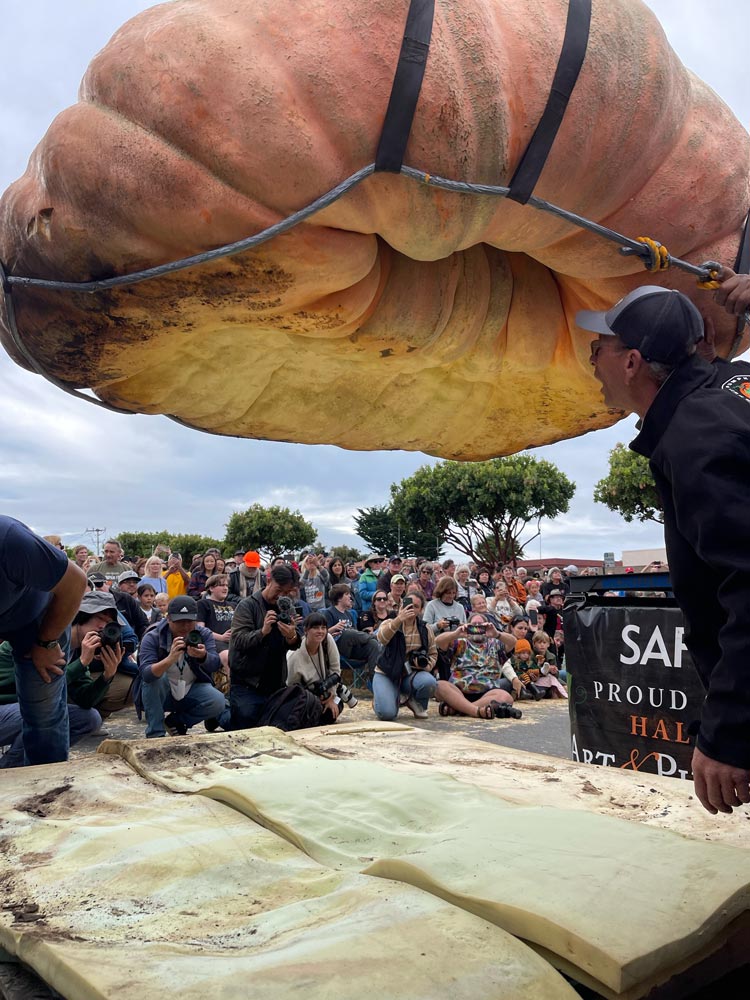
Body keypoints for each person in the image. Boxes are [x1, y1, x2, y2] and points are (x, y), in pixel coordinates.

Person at [578, 282, 750, 815]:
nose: (591, 361)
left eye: (598, 348)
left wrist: (729, 731)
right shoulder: (731, 391)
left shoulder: (699, 438)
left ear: (631, 363)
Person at [0, 516, 87, 764]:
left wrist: (47, 643)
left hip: (40, 621)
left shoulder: (10, 539)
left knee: (42, 714)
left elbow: (75, 582)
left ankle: (45, 782)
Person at [138, 596, 229, 737]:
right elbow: (146, 675)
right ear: (168, 619)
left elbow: (215, 664)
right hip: (161, 693)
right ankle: (155, 733)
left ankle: (176, 722)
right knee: (157, 679)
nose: (185, 627)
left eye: (190, 621)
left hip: (190, 688)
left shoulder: (203, 634)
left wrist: (203, 656)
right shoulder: (153, 636)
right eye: (179, 622)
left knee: (217, 701)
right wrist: (169, 659)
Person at [228, 564, 302, 727]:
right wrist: (262, 632)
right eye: (279, 590)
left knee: (281, 724)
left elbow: (296, 641)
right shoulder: (247, 605)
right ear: (268, 581)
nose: (281, 595)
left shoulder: (286, 606)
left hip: (276, 682)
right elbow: (238, 641)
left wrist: (291, 636)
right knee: (245, 723)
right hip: (247, 682)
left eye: (286, 592)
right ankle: (222, 713)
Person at [435, 613, 520, 718]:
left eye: (481, 625)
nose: (477, 628)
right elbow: (438, 641)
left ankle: (459, 708)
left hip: (487, 693)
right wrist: (455, 634)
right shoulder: (459, 642)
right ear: (468, 625)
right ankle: (476, 711)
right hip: (459, 691)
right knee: (439, 685)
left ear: (487, 626)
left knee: (506, 697)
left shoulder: (496, 643)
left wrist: (497, 634)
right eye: (474, 625)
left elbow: (513, 642)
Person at [374, 592, 437, 720]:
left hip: (410, 674)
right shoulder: (389, 622)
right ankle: (383, 699)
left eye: (416, 606)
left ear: (421, 610)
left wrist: (427, 666)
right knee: (387, 714)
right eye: (408, 605)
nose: (411, 609)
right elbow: (381, 639)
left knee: (429, 682)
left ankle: (415, 700)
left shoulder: (425, 628)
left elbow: (433, 653)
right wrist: (399, 619)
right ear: (401, 605)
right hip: (387, 673)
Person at [286, 612, 345, 724]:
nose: (320, 631)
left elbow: (335, 670)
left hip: (327, 690)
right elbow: (292, 687)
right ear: (306, 630)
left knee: (333, 711)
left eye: (323, 628)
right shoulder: (295, 655)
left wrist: (331, 697)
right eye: (316, 628)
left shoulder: (327, 640)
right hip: (306, 696)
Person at [323, 584, 381, 679]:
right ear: (339, 598)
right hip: (337, 648)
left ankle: (374, 680)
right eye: (347, 594)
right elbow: (322, 634)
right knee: (347, 633)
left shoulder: (349, 614)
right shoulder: (329, 613)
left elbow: (356, 635)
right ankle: (376, 636)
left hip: (352, 649)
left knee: (373, 644)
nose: (350, 596)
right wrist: (334, 628)